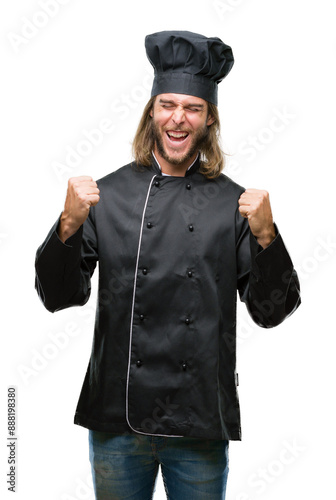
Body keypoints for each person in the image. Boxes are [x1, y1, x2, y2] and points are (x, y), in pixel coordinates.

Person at [35, 30, 301, 500]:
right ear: (152, 112)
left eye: (193, 108)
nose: (178, 118)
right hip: (118, 419)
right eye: (168, 105)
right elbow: (58, 297)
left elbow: (271, 311)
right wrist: (67, 227)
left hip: (198, 421)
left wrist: (266, 237)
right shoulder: (106, 196)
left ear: (208, 119)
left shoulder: (234, 204)